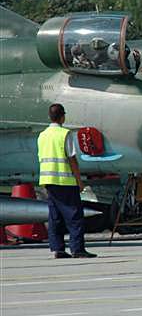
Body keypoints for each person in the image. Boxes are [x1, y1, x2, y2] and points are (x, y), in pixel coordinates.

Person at [37, 103, 97, 258]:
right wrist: (80, 181)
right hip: (65, 182)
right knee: (75, 216)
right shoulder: (65, 134)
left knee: (55, 216)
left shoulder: (42, 135)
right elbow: (72, 159)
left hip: (48, 181)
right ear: (62, 116)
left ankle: (57, 249)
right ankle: (77, 249)